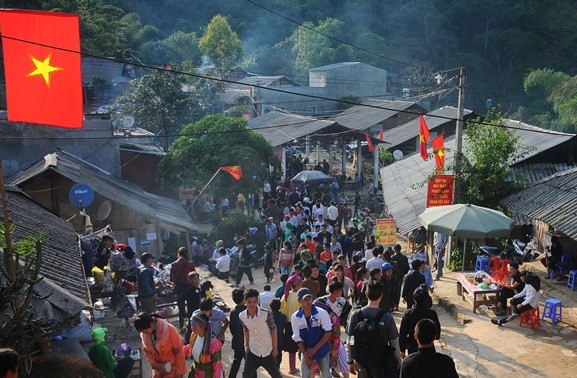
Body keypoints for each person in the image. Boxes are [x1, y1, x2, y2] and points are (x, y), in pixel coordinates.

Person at [346, 280, 402, 377]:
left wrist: (350, 360)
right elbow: (394, 343)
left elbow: (350, 339)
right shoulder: (387, 317)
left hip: (361, 361)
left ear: (366, 294)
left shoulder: (355, 315)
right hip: (380, 361)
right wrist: (399, 362)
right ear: (381, 295)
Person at [239, 289, 283, 378]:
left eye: (254, 302)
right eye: (249, 302)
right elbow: (246, 330)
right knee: (246, 376)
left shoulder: (266, 313)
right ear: (245, 302)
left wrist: (275, 348)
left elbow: (273, 330)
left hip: (268, 352)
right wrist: (246, 345)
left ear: (258, 301)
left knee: (277, 376)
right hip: (253, 352)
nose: (252, 305)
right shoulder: (241, 316)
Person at [291, 288, 333, 377]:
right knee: (305, 375)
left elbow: (328, 332)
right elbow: (297, 337)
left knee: (325, 374)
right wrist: (306, 356)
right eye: (305, 299)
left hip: (322, 350)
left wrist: (315, 349)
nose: (308, 301)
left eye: (309, 298)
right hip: (306, 351)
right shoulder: (295, 317)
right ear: (299, 301)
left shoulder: (321, 313)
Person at [134, 312, 186, 378]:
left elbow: (179, 351)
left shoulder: (169, 329)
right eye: (143, 332)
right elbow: (147, 351)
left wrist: (179, 373)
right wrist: (155, 364)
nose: (145, 333)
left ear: (152, 325)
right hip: (159, 370)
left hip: (173, 368)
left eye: (146, 331)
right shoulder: (144, 334)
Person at [315, 280, 350, 377]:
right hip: (323, 335)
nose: (342, 292)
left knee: (342, 357)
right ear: (336, 291)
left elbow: (345, 315)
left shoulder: (343, 302)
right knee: (321, 362)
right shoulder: (320, 301)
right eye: (340, 290)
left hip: (336, 334)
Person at [399, 285, 441, 356]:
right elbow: (437, 330)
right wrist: (436, 337)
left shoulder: (408, 313)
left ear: (414, 299)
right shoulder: (432, 313)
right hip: (429, 346)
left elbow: (403, 333)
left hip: (412, 346)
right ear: (426, 299)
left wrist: (402, 349)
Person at [280, 274, 303, 374]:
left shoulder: (286, 296)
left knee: (291, 349)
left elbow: (282, 309)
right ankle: (306, 367)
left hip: (289, 325)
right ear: (298, 285)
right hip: (301, 325)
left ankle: (292, 368)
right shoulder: (300, 296)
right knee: (303, 347)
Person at [189, 312, 224, 378]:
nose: (192, 328)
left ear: (202, 327)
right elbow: (191, 346)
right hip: (195, 373)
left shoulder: (214, 344)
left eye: (194, 326)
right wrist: (180, 349)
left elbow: (217, 366)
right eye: (191, 325)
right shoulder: (194, 335)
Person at [229, 289, 253, 378]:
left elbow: (231, 328)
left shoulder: (233, 311)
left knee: (236, 363)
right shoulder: (248, 311)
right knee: (250, 365)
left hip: (237, 342)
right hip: (248, 344)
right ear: (244, 299)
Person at [170, 247, 197, 328]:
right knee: (191, 306)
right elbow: (194, 276)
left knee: (181, 308)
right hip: (190, 287)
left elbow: (172, 279)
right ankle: (190, 324)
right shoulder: (190, 263)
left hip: (179, 288)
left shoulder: (174, 264)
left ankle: (181, 325)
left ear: (178, 254)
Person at [269, 298, 287, 369]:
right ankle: (277, 367)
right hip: (280, 339)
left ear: (270, 306)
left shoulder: (267, 316)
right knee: (279, 354)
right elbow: (284, 325)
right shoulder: (283, 317)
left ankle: (272, 368)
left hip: (269, 339)